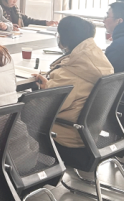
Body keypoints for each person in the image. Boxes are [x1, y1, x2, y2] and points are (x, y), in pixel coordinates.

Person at [32, 16, 114, 160]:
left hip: (64, 137)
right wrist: (49, 85)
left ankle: (22, 169)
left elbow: (45, 108)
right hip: (89, 134)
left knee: (13, 121)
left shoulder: (71, 71)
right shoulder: (97, 62)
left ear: (65, 38)